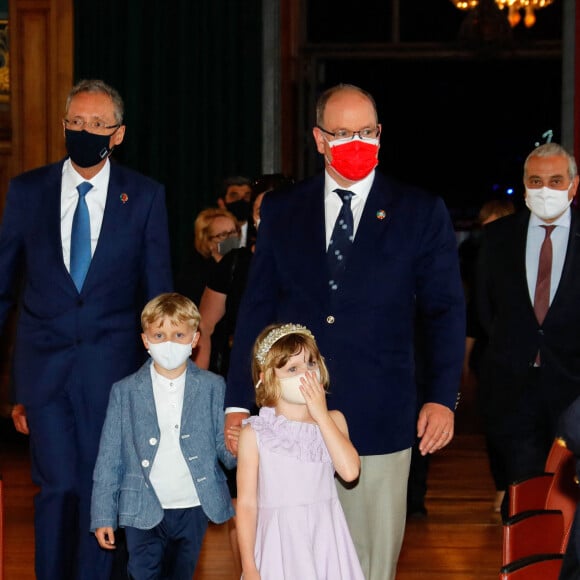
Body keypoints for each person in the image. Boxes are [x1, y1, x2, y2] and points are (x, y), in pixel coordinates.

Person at [225, 83, 465, 580]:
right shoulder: (283, 210)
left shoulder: (420, 211)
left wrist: (442, 397)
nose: (356, 141)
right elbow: (256, 310)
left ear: (380, 134)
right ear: (318, 139)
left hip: (380, 417)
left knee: (370, 564)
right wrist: (237, 403)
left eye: (366, 131)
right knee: (289, 558)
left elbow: (444, 311)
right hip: (289, 424)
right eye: (342, 132)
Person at [0, 79, 173, 579]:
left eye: (97, 124)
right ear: (62, 126)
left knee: (105, 490)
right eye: (76, 122)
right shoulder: (27, 192)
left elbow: (157, 301)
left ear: (117, 134)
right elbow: (5, 289)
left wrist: (161, 388)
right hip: (45, 376)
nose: (84, 131)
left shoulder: (143, 197)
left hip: (114, 376)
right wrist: (15, 388)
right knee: (58, 489)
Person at [90, 292, 236, 580]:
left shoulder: (213, 386)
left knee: (181, 574)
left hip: (192, 505)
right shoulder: (125, 391)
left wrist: (239, 444)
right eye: (159, 335)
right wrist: (102, 515)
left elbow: (225, 452)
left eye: (179, 334)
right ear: (145, 340)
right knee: (142, 573)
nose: (169, 343)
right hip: (140, 505)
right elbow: (109, 458)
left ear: (194, 339)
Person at [477, 142, 580, 521]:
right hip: (512, 388)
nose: (545, 189)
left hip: (574, 391)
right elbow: (486, 311)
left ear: (574, 185)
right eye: (536, 181)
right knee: (522, 496)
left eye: (556, 181)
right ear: (524, 186)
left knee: (571, 499)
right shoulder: (497, 238)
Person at [236, 322, 364, 579]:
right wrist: (248, 565)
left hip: (325, 538)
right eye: (292, 369)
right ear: (267, 377)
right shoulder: (256, 433)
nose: (306, 374)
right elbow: (247, 504)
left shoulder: (334, 421)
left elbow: (350, 472)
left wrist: (321, 415)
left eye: (311, 364)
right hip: (279, 544)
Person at [459, 198, 515, 513]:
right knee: (495, 424)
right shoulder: (476, 258)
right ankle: (501, 485)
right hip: (490, 357)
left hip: (525, 357)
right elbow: (474, 316)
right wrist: (465, 361)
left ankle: (517, 488)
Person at [174, 207, 240, 308]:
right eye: (223, 235)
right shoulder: (195, 274)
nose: (230, 238)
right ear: (207, 241)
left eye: (233, 232)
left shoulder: (246, 264)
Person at [216, 175, 253, 247]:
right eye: (235, 197)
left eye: (247, 196)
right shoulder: (212, 234)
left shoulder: (261, 233)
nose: (241, 201)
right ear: (222, 203)